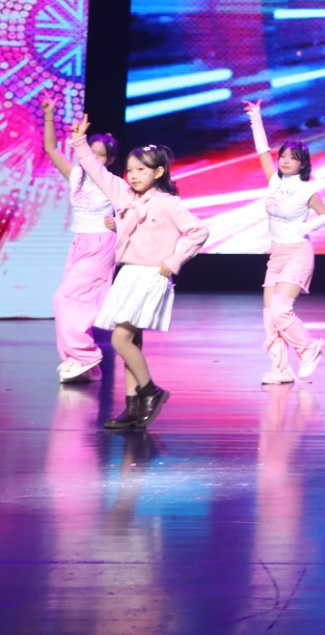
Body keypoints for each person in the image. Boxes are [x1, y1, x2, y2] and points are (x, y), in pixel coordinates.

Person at [72, 116, 208, 429]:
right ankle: (132, 408)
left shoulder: (168, 203)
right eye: (130, 170)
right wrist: (80, 142)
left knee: (120, 339)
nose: (133, 175)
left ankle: (151, 392)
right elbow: (97, 172)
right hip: (128, 274)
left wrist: (173, 261)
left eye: (141, 170)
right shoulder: (125, 196)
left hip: (151, 275)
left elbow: (198, 232)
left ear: (158, 172)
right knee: (131, 342)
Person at [244, 102, 325, 385]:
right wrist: (256, 117)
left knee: (280, 310)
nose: (284, 161)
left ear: (302, 164)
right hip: (276, 254)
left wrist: (305, 227)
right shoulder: (274, 182)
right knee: (269, 316)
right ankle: (280, 369)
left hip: (298, 253)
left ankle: (308, 348)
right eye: (283, 156)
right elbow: (262, 150)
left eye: (292, 158)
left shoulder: (306, 189)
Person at [41, 95, 117, 384]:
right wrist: (49, 115)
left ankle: (85, 355)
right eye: (91, 152)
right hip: (80, 244)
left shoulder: (112, 183)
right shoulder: (75, 176)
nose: (94, 158)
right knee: (78, 304)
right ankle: (86, 366)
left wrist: (120, 223)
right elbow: (50, 148)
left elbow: (136, 211)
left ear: (110, 160)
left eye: (101, 155)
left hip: (101, 245)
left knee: (64, 298)